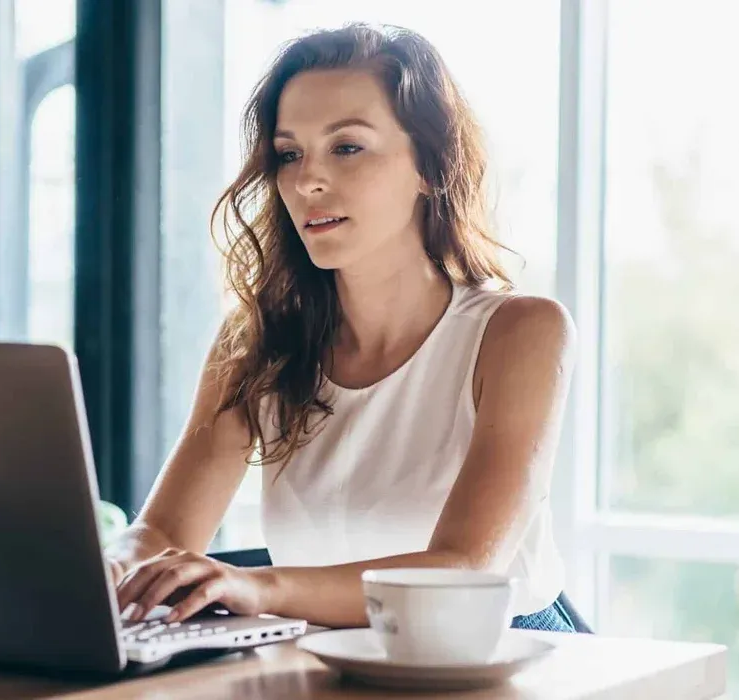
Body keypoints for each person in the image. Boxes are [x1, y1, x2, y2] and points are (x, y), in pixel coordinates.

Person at [102, 23, 581, 633]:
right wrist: (103, 570)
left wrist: (260, 587)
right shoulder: (254, 342)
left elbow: (463, 570)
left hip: (502, 657)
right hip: (327, 652)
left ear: (430, 166)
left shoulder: (521, 331)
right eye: (289, 153)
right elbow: (163, 533)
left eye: (347, 147)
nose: (308, 181)